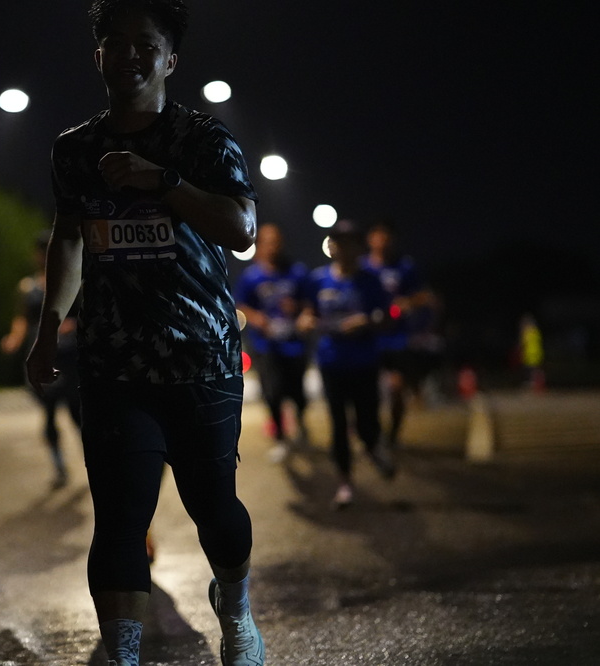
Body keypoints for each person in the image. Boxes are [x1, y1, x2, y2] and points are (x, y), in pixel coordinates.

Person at [25, 2, 265, 664]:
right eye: (116, 41)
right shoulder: (74, 149)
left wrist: (161, 182)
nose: (130, 54)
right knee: (120, 519)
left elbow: (241, 229)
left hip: (200, 358)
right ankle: (124, 655)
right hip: (112, 362)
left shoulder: (202, 141)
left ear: (169, 59)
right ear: (98, 55)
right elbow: (68, 239)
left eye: (146, 43)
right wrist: (47, 331)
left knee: (215, 510)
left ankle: (236, 610)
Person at [298, 220, 395, 509]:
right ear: (332, 246)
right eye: (339, 242)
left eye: (351, 242)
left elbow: (387, 316)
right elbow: (307, 313)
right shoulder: (318, 279)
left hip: (364, 362)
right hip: (331, 363)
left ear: (358, 247)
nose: (344, 248)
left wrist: (367, 320)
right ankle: (344, 483)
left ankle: (373, 446)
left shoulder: (370, 280)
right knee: (338, 425)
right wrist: (305, 321)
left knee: (367, 423)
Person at [1, 231, 81, 489]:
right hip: (42, 354)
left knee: (77, 413)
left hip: (68, 354)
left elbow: (87, 312)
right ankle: (59, 465)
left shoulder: (72, 280)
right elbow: (22, 318)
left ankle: (90, 459)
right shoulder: (28, 287)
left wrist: (73, 324)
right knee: (48, 411)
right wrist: (14, 339)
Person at [234, 223, 310, 463]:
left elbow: (309, 303)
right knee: (272, 392)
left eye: (276, 241)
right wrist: (257, 318)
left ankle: (301, 422)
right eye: (267, 242)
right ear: (260, 245)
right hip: (265, 346)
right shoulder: (251, 276)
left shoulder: (296, 272)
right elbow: (241, 305)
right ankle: (281, 438)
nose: (272, 247)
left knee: (297, 391)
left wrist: (299, 310)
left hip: (293, 343)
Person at [362, 220, 433, 448]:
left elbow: (424, 296)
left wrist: (406, 303)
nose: (382, 242)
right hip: (368, 338)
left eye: (386, 237)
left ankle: (392, 434)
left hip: (396, 338)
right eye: (377, 236)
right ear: (370, 239)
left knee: (396, 388)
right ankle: (369, 431)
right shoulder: (362, 267)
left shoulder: (405, 267)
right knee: (365, 390)